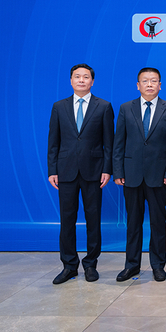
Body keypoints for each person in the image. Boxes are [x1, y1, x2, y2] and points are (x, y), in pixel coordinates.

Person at [47, 64, 114, 284]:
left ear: (92, 81)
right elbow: (53, 142)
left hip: (94, 171)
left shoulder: (103, 106)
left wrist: (107, 169)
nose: (82, 80)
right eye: (77, 77)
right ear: (71, 80)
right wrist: (52, 170)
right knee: (67, 219)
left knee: (93, 219)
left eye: (86, 77)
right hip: (65, 171)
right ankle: (69, 265)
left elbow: (109, 143)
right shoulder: (59, 107)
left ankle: (91, 264)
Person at [113, 67, 166, 282]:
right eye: (145, 81)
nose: (149, 84)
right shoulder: (126, 108)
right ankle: (131, 265)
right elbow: (118, 143)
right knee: (133, 223)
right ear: (138, 85)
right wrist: (118, 171)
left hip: (159, 176)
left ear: (160, 85)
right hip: (131, 175)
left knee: (158, 223)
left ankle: (158, 266)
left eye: (153, 81)